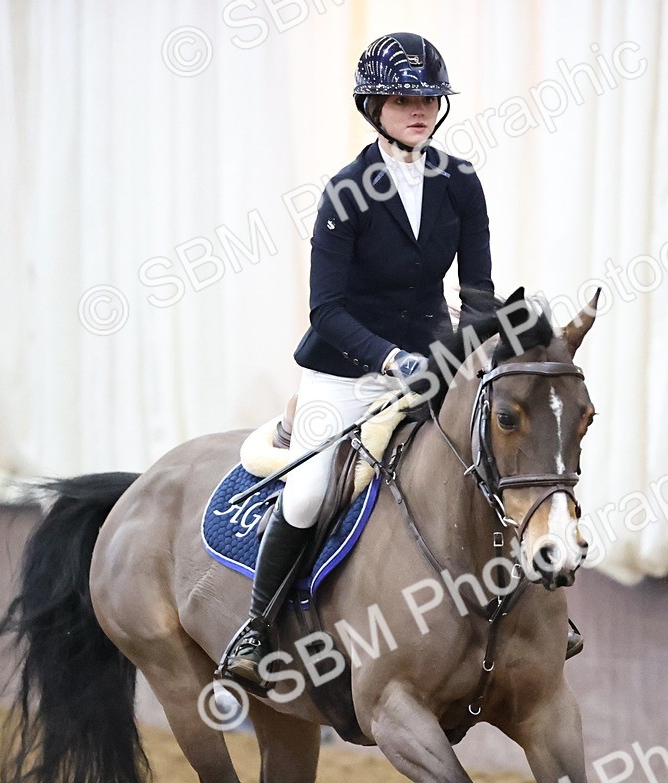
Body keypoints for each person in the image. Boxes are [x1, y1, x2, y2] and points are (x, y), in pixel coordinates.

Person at [226, 32, 579, 685]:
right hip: (345, 370)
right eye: (402, 99)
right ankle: (257, 625)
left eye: (429, 99)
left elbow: (477, 294)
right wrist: (391, 359)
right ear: (374, 107)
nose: (419, 110)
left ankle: (538, 605)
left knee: (491, 458)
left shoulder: (460, 183)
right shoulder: (345, 192)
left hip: (434, 360)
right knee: (308, 491)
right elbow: (327, 309)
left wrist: (477, 349)